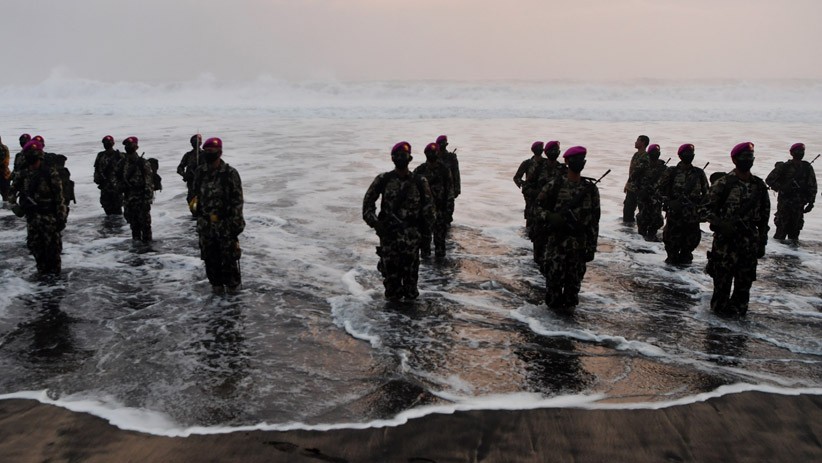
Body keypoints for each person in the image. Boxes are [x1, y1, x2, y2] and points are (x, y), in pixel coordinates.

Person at [702, 142, 770, 317]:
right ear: (734, 159)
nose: (748, 160)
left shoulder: (759, 186)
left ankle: (737, 331)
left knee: (743, 288)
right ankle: (716, 333)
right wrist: (721, 223)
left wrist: (762, 241)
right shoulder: (723, 184)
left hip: (749, 245)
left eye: (750, 157)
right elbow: (703, 210)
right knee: (721, 288)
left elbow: (764, 216)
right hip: (725, 245)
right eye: (744, 157)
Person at [363, 142, 435, 301]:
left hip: (412, 243)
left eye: (404, 155)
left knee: (411, 291)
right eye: (398, 156)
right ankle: (392, 324)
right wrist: (377, 224)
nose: (401, 158)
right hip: (390, 242)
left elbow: (429, 212)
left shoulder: (419, 182)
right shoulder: (383, 180)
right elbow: (367, 207)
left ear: (410, 158)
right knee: (391, 290)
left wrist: (425, 239)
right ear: (392, 158)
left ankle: (410, 324)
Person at [533, 146, 600, 311]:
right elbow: (536, 209)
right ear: (567, 161)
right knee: (553, 293)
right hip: (556, 247)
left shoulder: (590, 189)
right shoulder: (554, 185)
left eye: (582, 159)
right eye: (576, 159)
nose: (579, 162)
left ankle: (568, 331)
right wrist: (549, 217)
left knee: (572, 294)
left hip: (578, 248)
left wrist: (591, 248)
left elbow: (594, 221)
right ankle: (550, 332)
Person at [190, 137, 244, 294]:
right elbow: (195, 195)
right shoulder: (200, 172)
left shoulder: (230, 173)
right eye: (206, 151)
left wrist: (235, 226)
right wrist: (195, 210)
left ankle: (234, 299)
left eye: (212, 151)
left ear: (220, 152)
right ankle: (217, 294)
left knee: (229, 261)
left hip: (225, 225)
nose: (208, 154)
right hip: (206, 226)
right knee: (210, 260)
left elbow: (237, 201)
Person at [11, 140, 66, 275]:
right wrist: (15, 206)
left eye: (34, 156)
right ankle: (43, 283)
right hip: (32, 219)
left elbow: (60, 199)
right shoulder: (23, 174)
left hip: (49, 219)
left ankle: (55, 285)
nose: (33, 159)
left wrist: (61, 218)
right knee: (36, 249)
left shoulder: (50, 174)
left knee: (53, 252)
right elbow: (12, 191)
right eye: (30, 155)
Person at [657, 143, 708, 264]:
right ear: (680, 155)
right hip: (675, 214)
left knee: (689, 248)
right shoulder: (672, 172)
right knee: (671, 248)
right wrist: (669, 202)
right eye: (686, 153)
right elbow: (658, 190)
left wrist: (701, 211)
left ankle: (685, 278)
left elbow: (707, 195)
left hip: (692, 215)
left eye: (691, 153)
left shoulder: (699, 173)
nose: (689, 155)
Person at [765, 143, 817, 241]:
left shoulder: (807, 168)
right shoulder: (784, 167)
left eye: (802, 151)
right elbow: (769, 180)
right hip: (785, 204)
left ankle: (792, 254)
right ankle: (779, 253)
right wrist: (782, 188)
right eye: (797, 151)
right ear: (791, 153)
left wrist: (811, 202)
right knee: (781, 232)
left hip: (799, 205)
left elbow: (812, 186)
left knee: (795, 233)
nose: (800, 153)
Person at [528, 141, 568, 265]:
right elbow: (527, 186)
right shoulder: (538, 167)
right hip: (540, 213)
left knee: (554, 255)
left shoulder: (562, 169)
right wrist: (539, 194)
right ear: (546, 152)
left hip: (556, 214)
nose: (555, 152)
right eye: (553, 150)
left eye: (557, 150)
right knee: (538, 255)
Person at [414, 142, 453, 258]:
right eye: (429, 152)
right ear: (426, 154)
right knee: (424, 247)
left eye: (433, 152)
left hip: (440, 212)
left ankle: (440, 273)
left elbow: (449, 193)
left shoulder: (444, 170)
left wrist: (448, 213)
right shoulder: (419, 170)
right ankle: (427, 274)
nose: (431, 154)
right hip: (424, 214)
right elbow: (413, 192)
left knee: (440, 245)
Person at [118, 137, 154, 242]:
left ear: (136, 147)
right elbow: (117, 178)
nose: (128, 147)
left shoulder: (143, 163)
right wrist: (120, 188)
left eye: (131, 145)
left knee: (145, 227)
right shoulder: (122, 163)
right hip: (128, 199)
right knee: (134, 227)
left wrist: (147, 200)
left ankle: (148, 251)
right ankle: (137, 251)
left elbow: (149, 183)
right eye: (126, 145)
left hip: (141, 199)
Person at [634, 143, 667, 241]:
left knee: (656, 218)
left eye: (657, 152)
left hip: (656, 197)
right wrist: (639, 190)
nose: (655, 154)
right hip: (644, 196)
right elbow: (634, 178)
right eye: (653, 152)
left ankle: (652, 235)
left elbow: (667, 183)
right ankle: (641, 236)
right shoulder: (643, 166)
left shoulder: (663, 168)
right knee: (643, 216)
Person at [513, 141, 546, 228]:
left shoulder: (546, 163)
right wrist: (524, 185)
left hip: (543, 191)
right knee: (530, 213)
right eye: (539, 147)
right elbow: (516, 178)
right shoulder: (527, 163)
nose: (540, 149)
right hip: (530, 193)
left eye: (541, 147)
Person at [93, 135, 125, 215]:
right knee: (106, 207)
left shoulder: (119, 155)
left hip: (116, 187)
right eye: (106, 142)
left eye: (109, 142)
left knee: (117, 210)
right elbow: (97, 169)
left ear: (113, 143)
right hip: (105, 186)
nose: (108, 144)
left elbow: (125, 170)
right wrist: (97, 179)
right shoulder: (100, 155)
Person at [623, 135, 650, 223]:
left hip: (638, 188)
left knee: (640, 212)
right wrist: (627, 184)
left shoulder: (645, 156)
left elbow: (637, 173)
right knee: (627, 211)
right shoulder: (636, 154)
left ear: (643, 143)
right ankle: (628, 232)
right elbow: (632, 173)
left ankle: (636, 234)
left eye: (638, 140)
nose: (635, 142)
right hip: (631, 187)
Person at [436, 135, 460, 225]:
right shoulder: (434, 157)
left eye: (443, 143)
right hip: (436, 191)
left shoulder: (451, 157)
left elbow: (456, 174)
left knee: (447, 217)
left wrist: (457, 189)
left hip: (449, 191)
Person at [177, 134, 204, 211]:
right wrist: (185, 175)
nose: (195, 143)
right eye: (194, 142)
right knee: (192, 203)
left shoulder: (205, 155)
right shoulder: (188, 155)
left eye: (197, 141)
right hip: (191, 183)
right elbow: (179, 168)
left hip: (203, 183)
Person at [0, 136, 10, 203]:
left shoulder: (3, 148)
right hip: (5, 174)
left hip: (3, 174)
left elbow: (5, 162)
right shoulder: (4, 147)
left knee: (5, 194)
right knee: (5, 194)